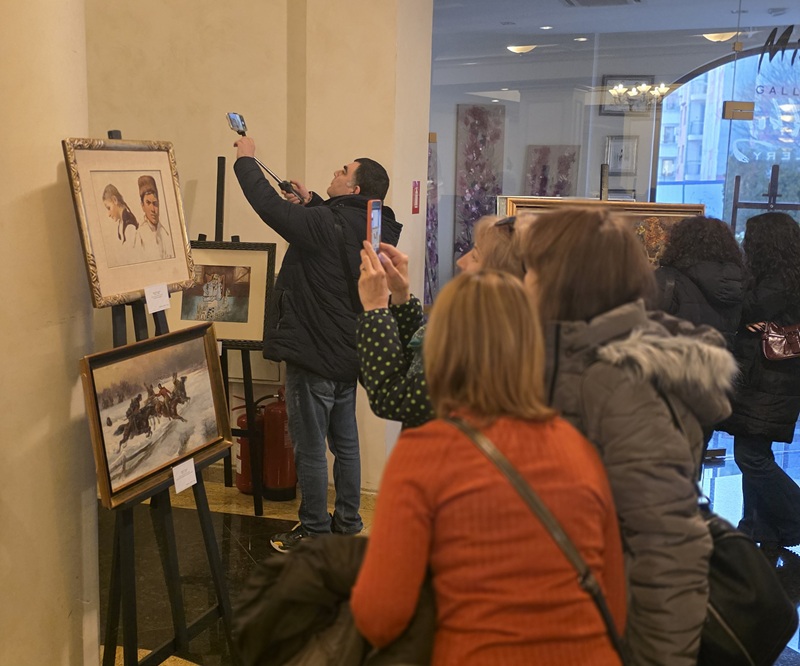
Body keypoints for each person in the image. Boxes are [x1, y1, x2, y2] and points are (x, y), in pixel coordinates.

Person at [351, 270, 627, 665]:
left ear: (440, 350)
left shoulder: (425, 453)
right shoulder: (578, 449)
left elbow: (380, 617)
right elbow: (614, 604)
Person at [517, 207, 738, 666]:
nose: (524, 283)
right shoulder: (578, 359)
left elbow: (668, 546)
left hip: (610, 626)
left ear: (564, 282)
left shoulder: (616, 383)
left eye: (532, 270)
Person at [233, 137, 402, 553]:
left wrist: (246, 160)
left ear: (354, 188)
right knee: (345, 445)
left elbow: (269, 207)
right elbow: (335, 234)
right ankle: (348, 522)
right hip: (348, 353)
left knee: (309, 448)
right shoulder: (374, 226)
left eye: (343, 171)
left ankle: (313, 530)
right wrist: (311, 202)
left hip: (313, 353)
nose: (335, 173)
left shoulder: (326, 225)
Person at [356, 214, 529, 429]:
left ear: (499, 279)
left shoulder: (488, 345)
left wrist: (376, 308)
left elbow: (392, 396)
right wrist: (400, 296)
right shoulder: (481, 327)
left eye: (475, 257)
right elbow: (415, 365)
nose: (461, 262)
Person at [720, 212, 800, 549]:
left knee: (750, 456)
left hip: (768, 381)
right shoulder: (787, 274)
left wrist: (746, 318)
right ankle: (759, 528)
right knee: (756, 452)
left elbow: (749, 309)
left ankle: (793, 516)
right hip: (774, 380)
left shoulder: (777, 281)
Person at [656, 215, 744, 350]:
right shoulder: (737, 282)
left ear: (681, 243)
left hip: (676, 358)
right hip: (719, 359)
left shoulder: (667, 278)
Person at [132, 175, 174, 261]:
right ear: (142, 206)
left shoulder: (166, 233)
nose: (153, 209)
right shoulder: (140, 235)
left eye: (155, 203)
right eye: (148, 203)